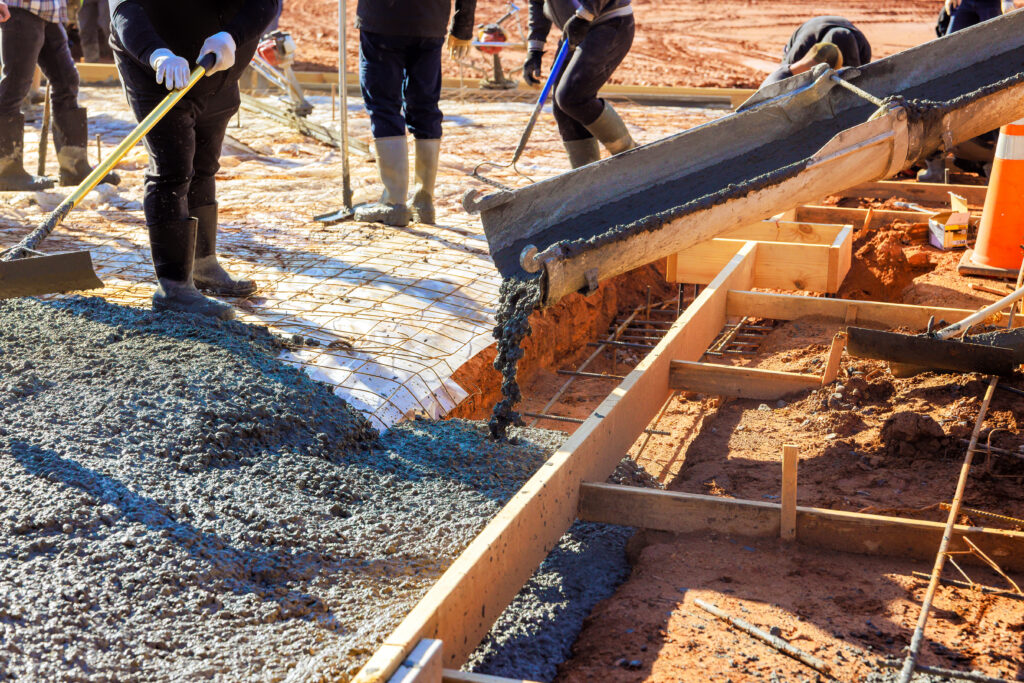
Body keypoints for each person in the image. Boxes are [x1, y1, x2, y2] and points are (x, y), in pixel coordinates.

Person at [110, 0, 279, 319]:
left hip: (218, 68)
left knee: (205, 164)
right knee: (172, 168)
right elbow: (124, 10)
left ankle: (203, 264)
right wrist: (156, 54)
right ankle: (173, 287)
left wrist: (232, 35)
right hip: (157, 70)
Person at [354, 0, 476, 226]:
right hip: (429, 21)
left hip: (383, 20)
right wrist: (462, 27)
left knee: (384, 105)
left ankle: (394, 202)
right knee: (425, 106)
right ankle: (423, 201)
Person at [0, 0, 119, 191]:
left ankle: (74, 167)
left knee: (67, 81)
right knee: (15, 84)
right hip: (20, 8)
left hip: (50, 13)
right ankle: (6, 171)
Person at [523, 0, 636, 169]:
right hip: (574, 31)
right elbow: (538, 3)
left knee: (572, 97)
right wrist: (535, 49)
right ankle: (586, 174)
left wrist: (584, 15)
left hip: (608, 24)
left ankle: (632, 155)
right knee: (563, 109)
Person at [917, 0, 1011, 180]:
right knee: (946, 71)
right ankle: (937, 166)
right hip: (967, 3)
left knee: (995, 69)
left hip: (991, 4)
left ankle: (996, 167)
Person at [760, 16, 871, 88]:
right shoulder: (802, 49)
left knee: (851, 80)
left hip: (848, 36)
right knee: (793, 80)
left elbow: (860, 83)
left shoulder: (863, 49)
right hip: (812, 30)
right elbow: (781, 82)